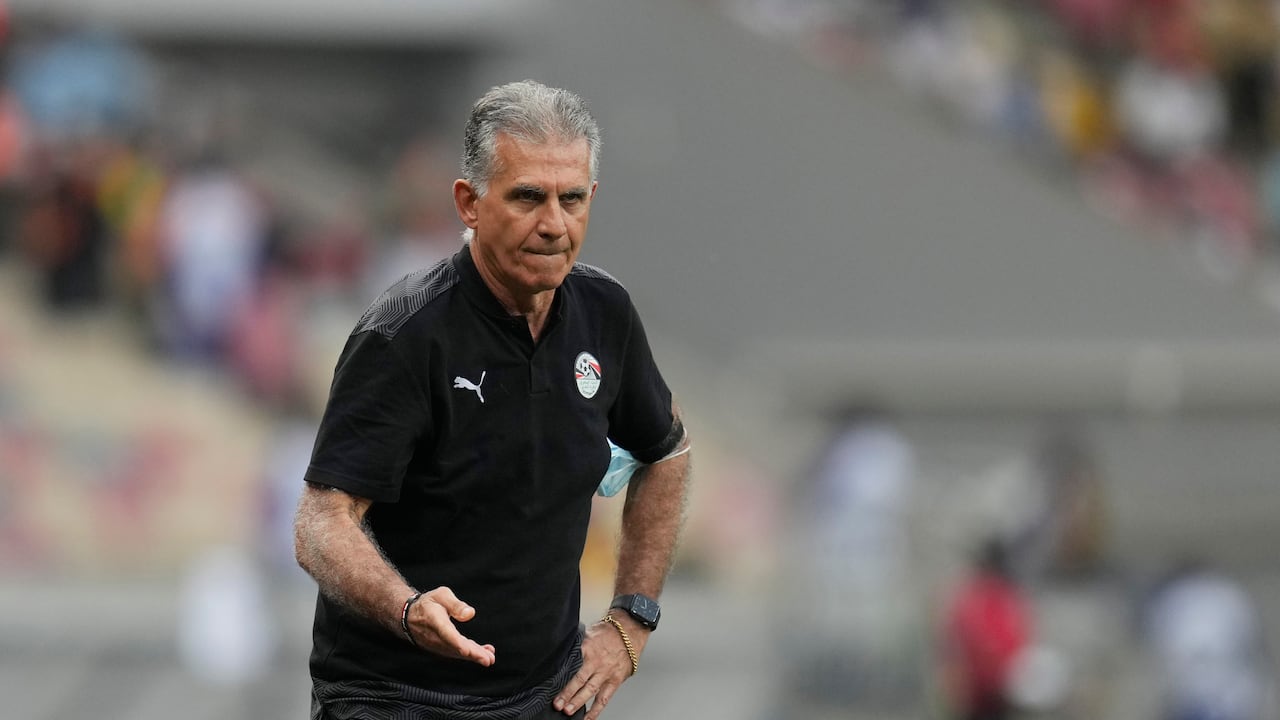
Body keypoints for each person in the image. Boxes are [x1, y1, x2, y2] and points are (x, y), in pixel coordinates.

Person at [293, 80, 693, 720]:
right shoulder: (404, 335)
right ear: (469, 203)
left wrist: (631, 619)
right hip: (394, 697)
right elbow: (321, 524)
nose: (554, 224)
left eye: (572, 198)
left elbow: (667, 454)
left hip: (543, 695)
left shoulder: (605, 314)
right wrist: (406, 607)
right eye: (528, 197)